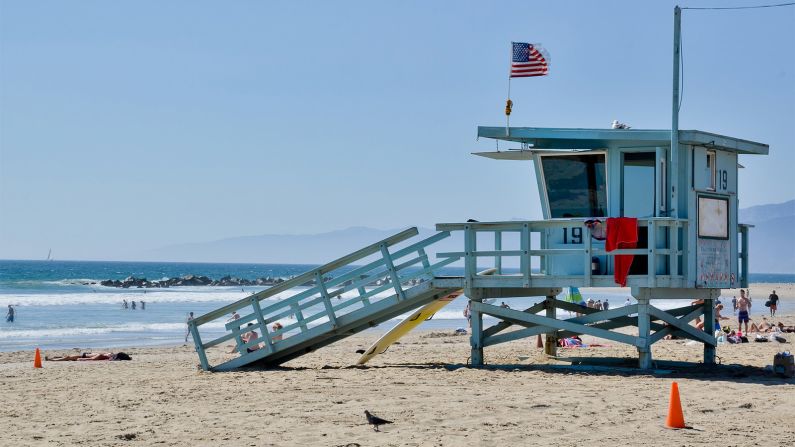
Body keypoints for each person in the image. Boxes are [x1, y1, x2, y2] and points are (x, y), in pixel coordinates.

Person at [46, 352, 132, 361]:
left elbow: (92, 359)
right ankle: (54, 358)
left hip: (83, 356)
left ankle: (53, 360)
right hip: (84, 354)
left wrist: (80, 359)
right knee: (67, 357)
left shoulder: (104, 355)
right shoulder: (108, 354)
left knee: (68, 357)